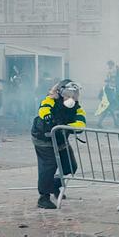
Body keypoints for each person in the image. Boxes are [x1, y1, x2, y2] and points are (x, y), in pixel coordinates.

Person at [32, 80, 86, 209]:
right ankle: (43, 197)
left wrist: (64, 127)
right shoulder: (50, 101)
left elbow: (81, 124)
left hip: (61, 139)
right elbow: (44, 110)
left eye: (74, 95)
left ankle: (56, 184)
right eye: (68, 94)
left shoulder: (77, 108)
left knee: (70, 166)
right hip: (44, 140)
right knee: (49, 166)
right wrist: (49, 118)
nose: (71, 98)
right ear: (60, 93)